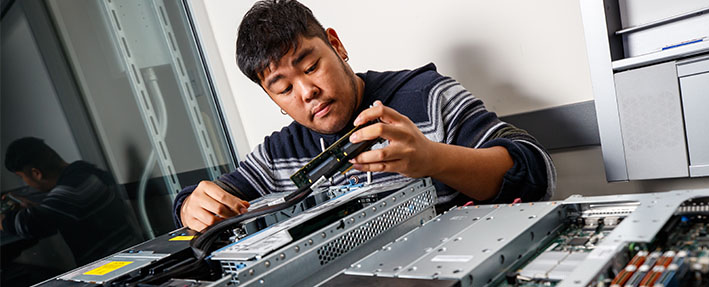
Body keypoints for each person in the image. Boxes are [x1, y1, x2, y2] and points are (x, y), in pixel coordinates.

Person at [174, 0, 556, 232]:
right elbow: (216, 195)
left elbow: (536, 172)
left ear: (336, 46)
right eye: (284, 88)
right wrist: (189, 204)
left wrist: (432, 158)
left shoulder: (424, 95)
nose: (307, 92)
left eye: (310, 67)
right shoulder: (280, 153)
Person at [2, 137, 143, 266]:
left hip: (114, 266)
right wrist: (35, 207)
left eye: (22, 177)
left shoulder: (72, 189)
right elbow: (60, 214)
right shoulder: (85, 173)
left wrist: (2, 220)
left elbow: (31, 225)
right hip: (128, 254)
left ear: (36, 173)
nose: (25, 183)